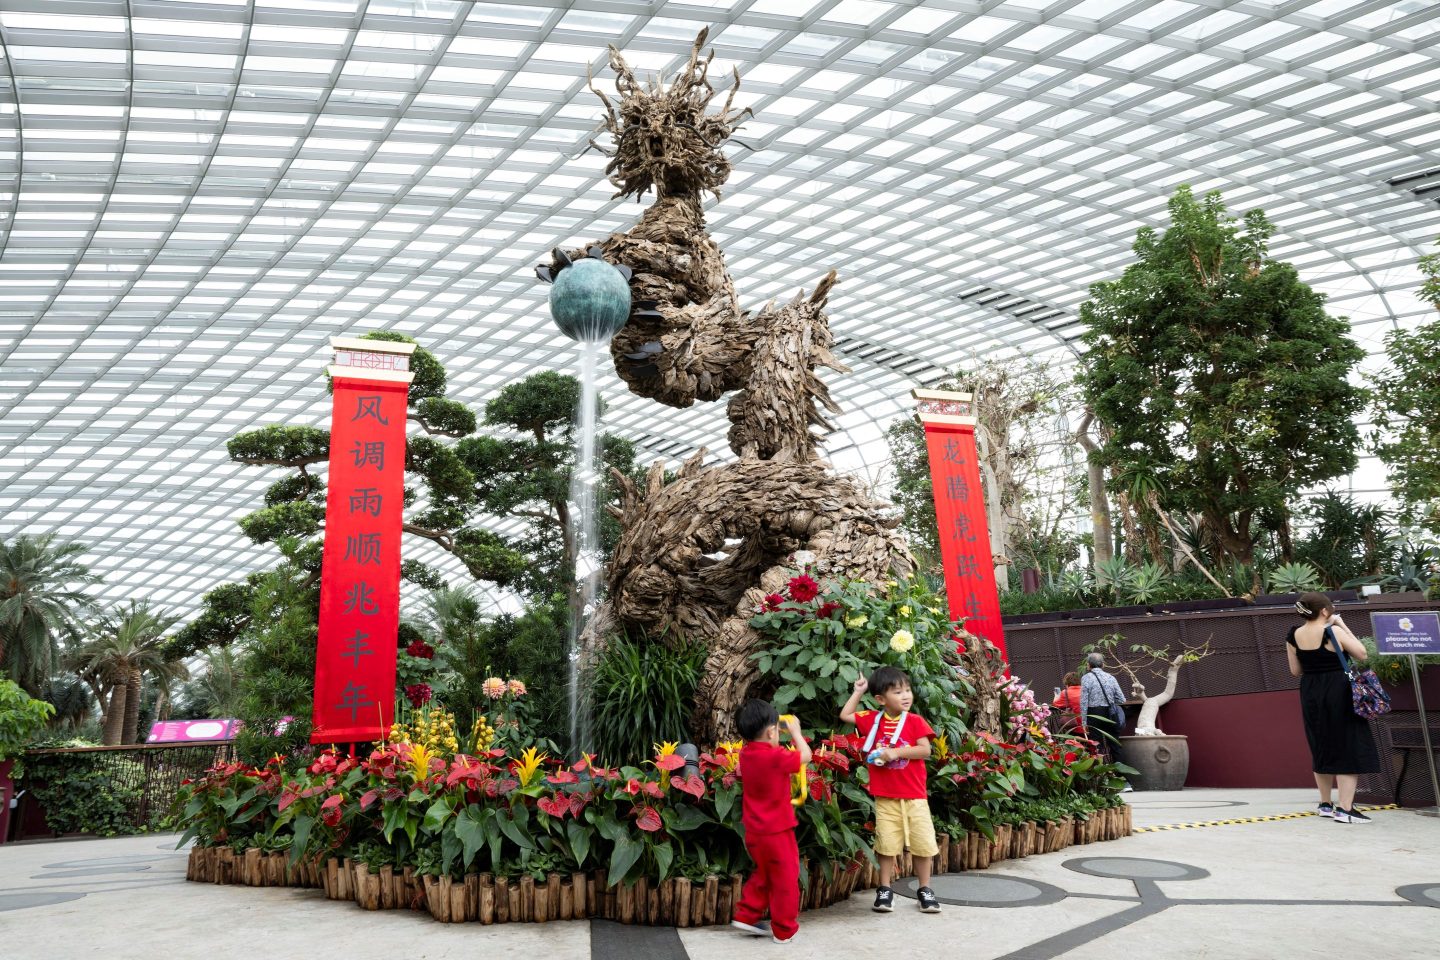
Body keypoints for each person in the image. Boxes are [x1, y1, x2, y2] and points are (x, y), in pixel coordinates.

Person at [839, 666, 942, 915]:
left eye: (907, 690)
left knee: (922, 844)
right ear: (880, 699)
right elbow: (845, 715)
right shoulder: (873, 719)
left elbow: (925, 750)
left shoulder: (915, 721)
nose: (906, 695)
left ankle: (925, 890)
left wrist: (895, 752)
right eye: (898, 692)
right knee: (886, 845)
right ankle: (885, 889)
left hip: (915, 796)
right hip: (885, 796)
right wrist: (858, 691)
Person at [1285, 591, 1381, 824]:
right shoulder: (1333, 631)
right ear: (1325, 611)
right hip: (1338, 690)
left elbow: (1295, 671)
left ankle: (1326, 804)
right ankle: (1346, 809)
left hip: (1310, 691)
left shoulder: (1293, 635)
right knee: (1349, 743)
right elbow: (1362, 654)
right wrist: (1342, 624)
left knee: (1321, 744)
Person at [731, 699, 811, 944]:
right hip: (777, 831)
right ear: (770, 732)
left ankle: (746, 915)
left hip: (755, 832)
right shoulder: (775, 757)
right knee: (786, 878)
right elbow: (805, 756)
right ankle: (784, 930)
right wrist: (796, 732)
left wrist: (777, 728)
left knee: (766, 873)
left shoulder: (746, 754)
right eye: (777, 730)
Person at [1079, 652, 1127, 764]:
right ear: (1103, 665)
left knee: (1097, 746)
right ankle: (1123, 776)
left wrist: (1084, 721)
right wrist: (1109, 700)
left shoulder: (1086, 678)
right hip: (1110, 714)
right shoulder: (1111, 677)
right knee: (1115, 745)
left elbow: (1084, 701)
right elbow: (1121, 699)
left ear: (1088, 665)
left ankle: (1102, 775)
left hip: (1094, 714)